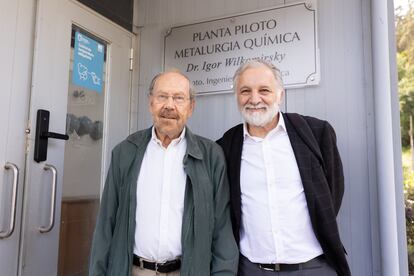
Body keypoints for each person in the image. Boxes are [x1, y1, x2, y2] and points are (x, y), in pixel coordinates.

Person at [89, 69, 238, 276]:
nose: (169, 105)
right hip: (134, 270)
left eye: (178, 98)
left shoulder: (211, 156)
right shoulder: (125, 152)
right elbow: (106, 223)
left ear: (191, 107)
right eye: (162, 97)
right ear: (151, 103)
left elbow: (222, 229)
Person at [217, 60, 351, 276]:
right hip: (251, 269)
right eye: (245, 91)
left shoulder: (316, 133)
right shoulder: (225, 146)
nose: (254, 99)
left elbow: (332, 195)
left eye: (264, 90)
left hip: (314, 267)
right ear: (237, 97)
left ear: (280, 94)